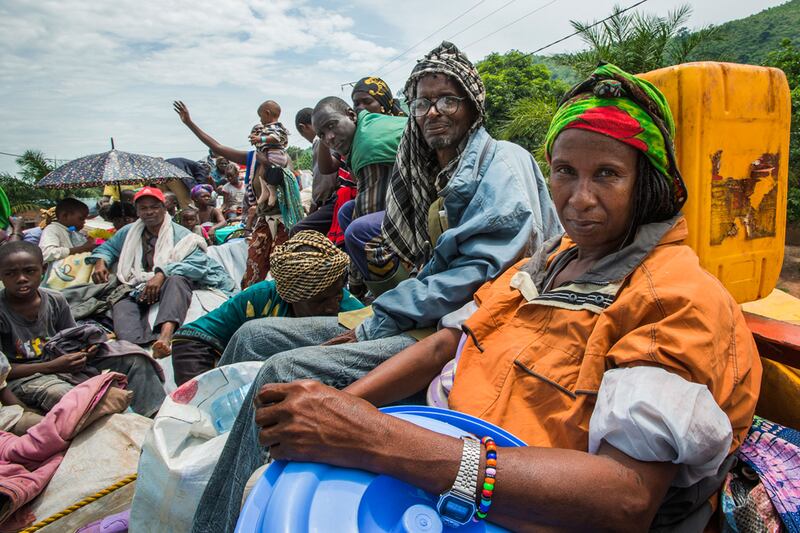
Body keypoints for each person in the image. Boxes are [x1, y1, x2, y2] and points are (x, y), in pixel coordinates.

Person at [193, 64, 763, 532]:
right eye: (564, 171)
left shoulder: (672, 300)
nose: (578, 198)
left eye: (607, 174)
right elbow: (449, 341)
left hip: (506, 502)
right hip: (442, 455)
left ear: (649, 183)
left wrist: (376, 438)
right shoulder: (552, 261)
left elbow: (625, 499)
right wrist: (346, 413)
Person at [191, 42, 560, 532]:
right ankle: (224, 462)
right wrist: (382, 310)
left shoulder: (500, 161)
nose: (432, 112)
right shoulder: (430, 166)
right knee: (254, 336)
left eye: (446, 100)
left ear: (472, 105)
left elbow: (476, 273)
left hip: (466, 327)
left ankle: (221, 522)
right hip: (425, 310)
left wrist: (378, 319)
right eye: (423, 101)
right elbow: (428, 266)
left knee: (284, 367)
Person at [171, 231, 363, 385]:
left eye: (337, 293)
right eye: (321, 300)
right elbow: (192, 337)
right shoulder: (259, 298)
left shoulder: (350, 312)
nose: (332, 306)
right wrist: (205, 396)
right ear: (291, 296)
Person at [1, 241, 166, 415]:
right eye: (10, 274)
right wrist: (51, 366)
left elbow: (72, 338)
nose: (21, 279)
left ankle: (156, 418)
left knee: (134, 359)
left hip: (62, 364)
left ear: (42, 269)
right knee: (70, 396)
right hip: (25, 377)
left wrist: (87, 348)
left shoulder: (54, 300)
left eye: (29, 271)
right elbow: (2, 373)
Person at [87, 187, 235, 358]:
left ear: (164, 209)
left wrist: (162, 274)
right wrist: (100, 262)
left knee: (177, 281)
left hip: (169, 282)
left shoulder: (182, 235)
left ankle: (165, 337)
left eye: (154, 207)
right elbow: (108, 247)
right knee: (121, 303)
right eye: (143, 208)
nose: (149, 212)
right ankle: (135, 347)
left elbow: (196, 263)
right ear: (137, 211)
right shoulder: (128, 232)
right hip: (136, 283)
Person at [173, 101, 304, 288]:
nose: (255, 139)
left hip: (286, 222)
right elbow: (218, 148)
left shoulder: (280, 158)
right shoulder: (251, 159)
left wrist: (266, 163)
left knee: (285, 271)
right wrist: (189, 123)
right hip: (264, 221)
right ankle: (251, 307)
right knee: (253, 272)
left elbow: (279, 180)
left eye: (259, 134)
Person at [248, 101, 289, 209]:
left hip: (275, 155)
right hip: (271, 154)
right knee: (262, 173)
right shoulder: (269, 128)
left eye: (261, 117)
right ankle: (266, 192)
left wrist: (260, 138)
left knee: (265, 173)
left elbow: (275, 138)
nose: (260, 120)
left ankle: (272, 192)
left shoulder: (275, 127)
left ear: (267, 113)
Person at [38, 198, 97, 265]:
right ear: (64, 216)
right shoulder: (52, 229)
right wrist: (82, 249)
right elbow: (46, 253)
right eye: (81, 219)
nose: (84, 222)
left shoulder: (72, 232)